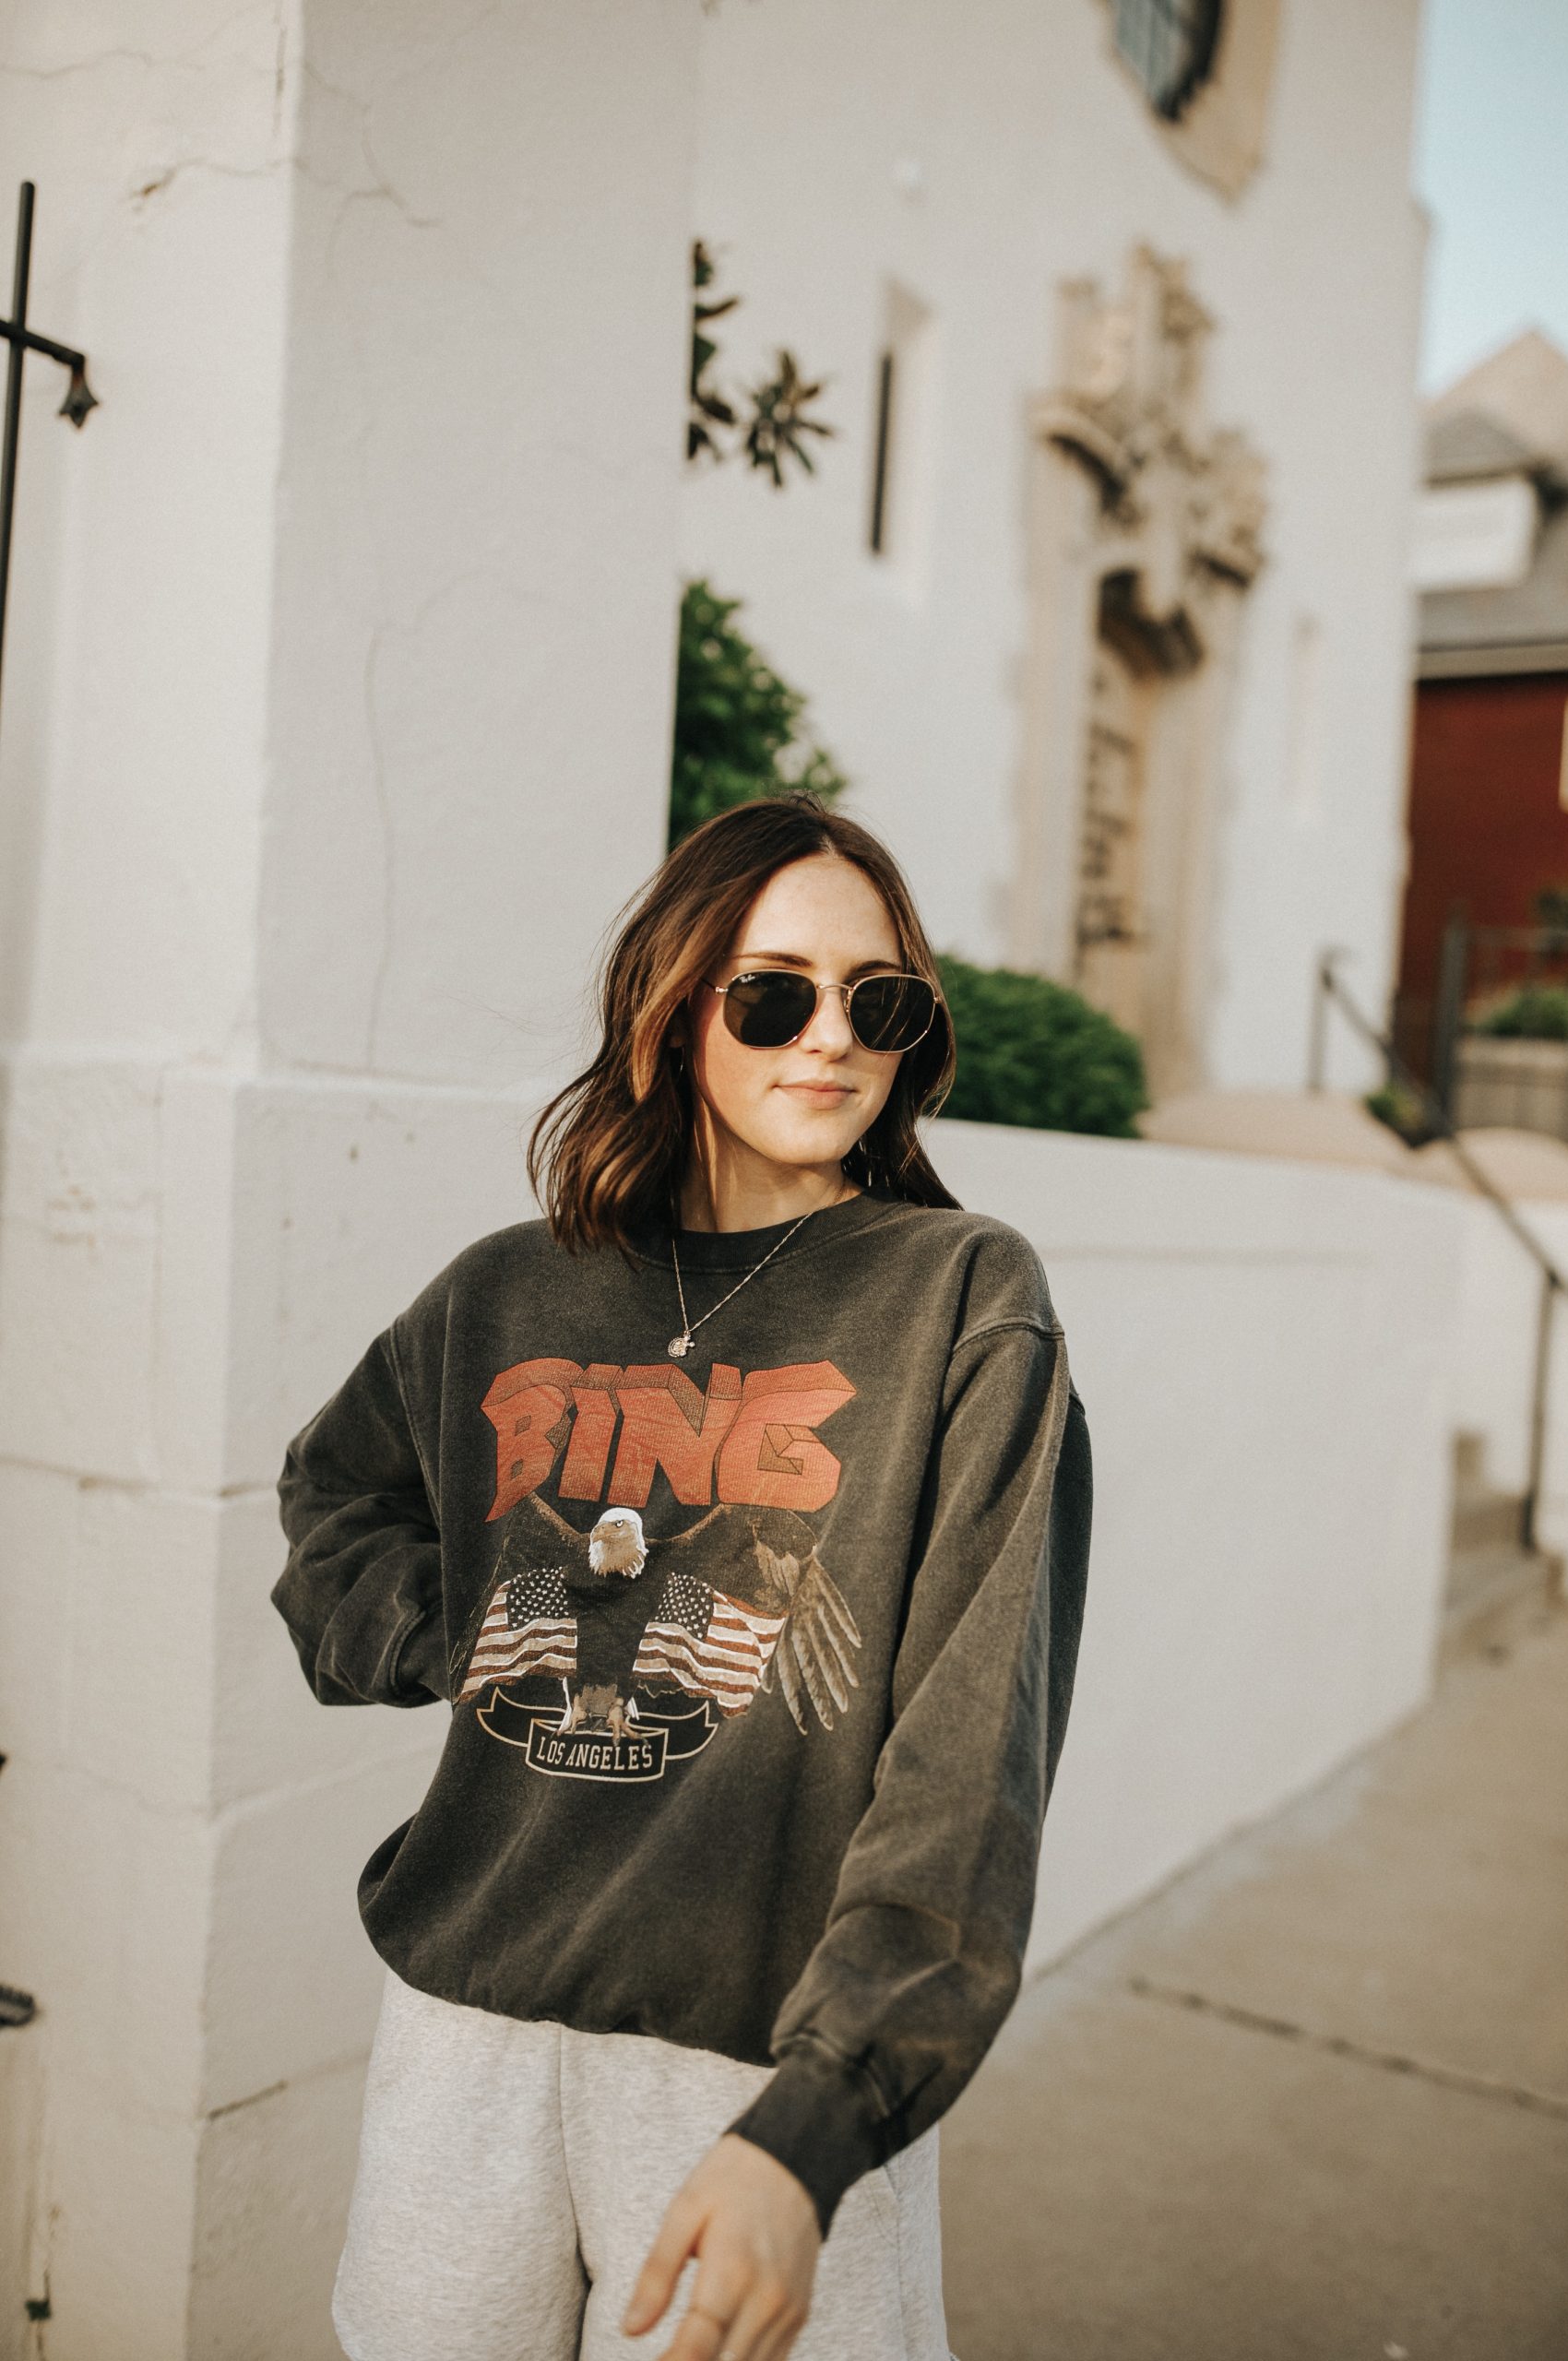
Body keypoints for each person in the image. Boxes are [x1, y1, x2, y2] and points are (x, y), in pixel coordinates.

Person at [271, 789, 1093, 2361]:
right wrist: (454, 1637)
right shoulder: (509, 1290)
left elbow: (968, 1761)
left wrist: (825, 2111)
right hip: (468, 2024)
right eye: (775, 994)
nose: (832, 1037)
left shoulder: (961, 1296)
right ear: (672, 1008)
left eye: (880, 1001)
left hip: (758, 2059)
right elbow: (335, 1490)